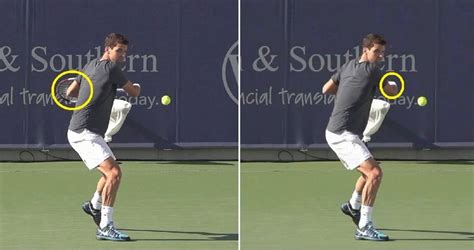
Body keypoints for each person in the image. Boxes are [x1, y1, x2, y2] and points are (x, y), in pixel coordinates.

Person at [322, 33, 398, 241]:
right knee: (375, 173)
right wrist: (393, 88)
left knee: (368, 172)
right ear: (365, 50)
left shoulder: (348, 66)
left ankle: (352, 205)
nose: (381, 56)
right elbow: (391, 90)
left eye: (383, 52)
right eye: (376, 52)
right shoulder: (373, 71)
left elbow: (326, 88)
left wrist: (347, 96)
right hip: (342, 133)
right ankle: (364, 226)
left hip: (339, 130)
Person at [66, 33, 141, 241]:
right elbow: (133, 93)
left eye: (125, 52)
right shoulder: (111, 68)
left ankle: (93, 205)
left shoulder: (89, 65)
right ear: (107, 49)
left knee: (108, 173)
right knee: (114, 173)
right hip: (84, 133)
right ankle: (106, 226)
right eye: (119, 51)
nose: (123, 55)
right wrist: (138, 87)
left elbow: (71, 92)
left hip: (84, 130)